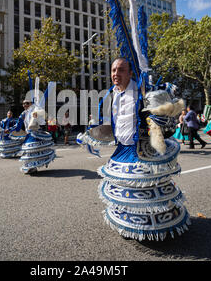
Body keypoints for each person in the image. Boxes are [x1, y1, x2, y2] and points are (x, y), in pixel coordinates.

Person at [77, 58, 190, 241]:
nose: (116, 74)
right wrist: (90, 134)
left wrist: (154, 117)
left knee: (146, 188)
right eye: (113, 70)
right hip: (122, 149)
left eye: (121, 70)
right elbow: (107, 121)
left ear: (131, 73)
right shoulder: (110, 94)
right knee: (125, 188)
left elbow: (163, 117)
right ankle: (130, 224)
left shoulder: (142, 92)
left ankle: (151, 227)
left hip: (141, 149)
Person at [7, 95, 55, 174]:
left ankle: (33, 166)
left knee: (33, 150)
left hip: (35, 134)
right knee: (29, 151)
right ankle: (31, 166)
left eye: (27, 103)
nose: (24, 105)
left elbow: (45, 118)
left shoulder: (35, 111)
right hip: (29, 134)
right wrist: (9, 130)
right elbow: (18, 124)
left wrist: (39, 117)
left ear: (31, 104)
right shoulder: (23, 114)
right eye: (23, 104)